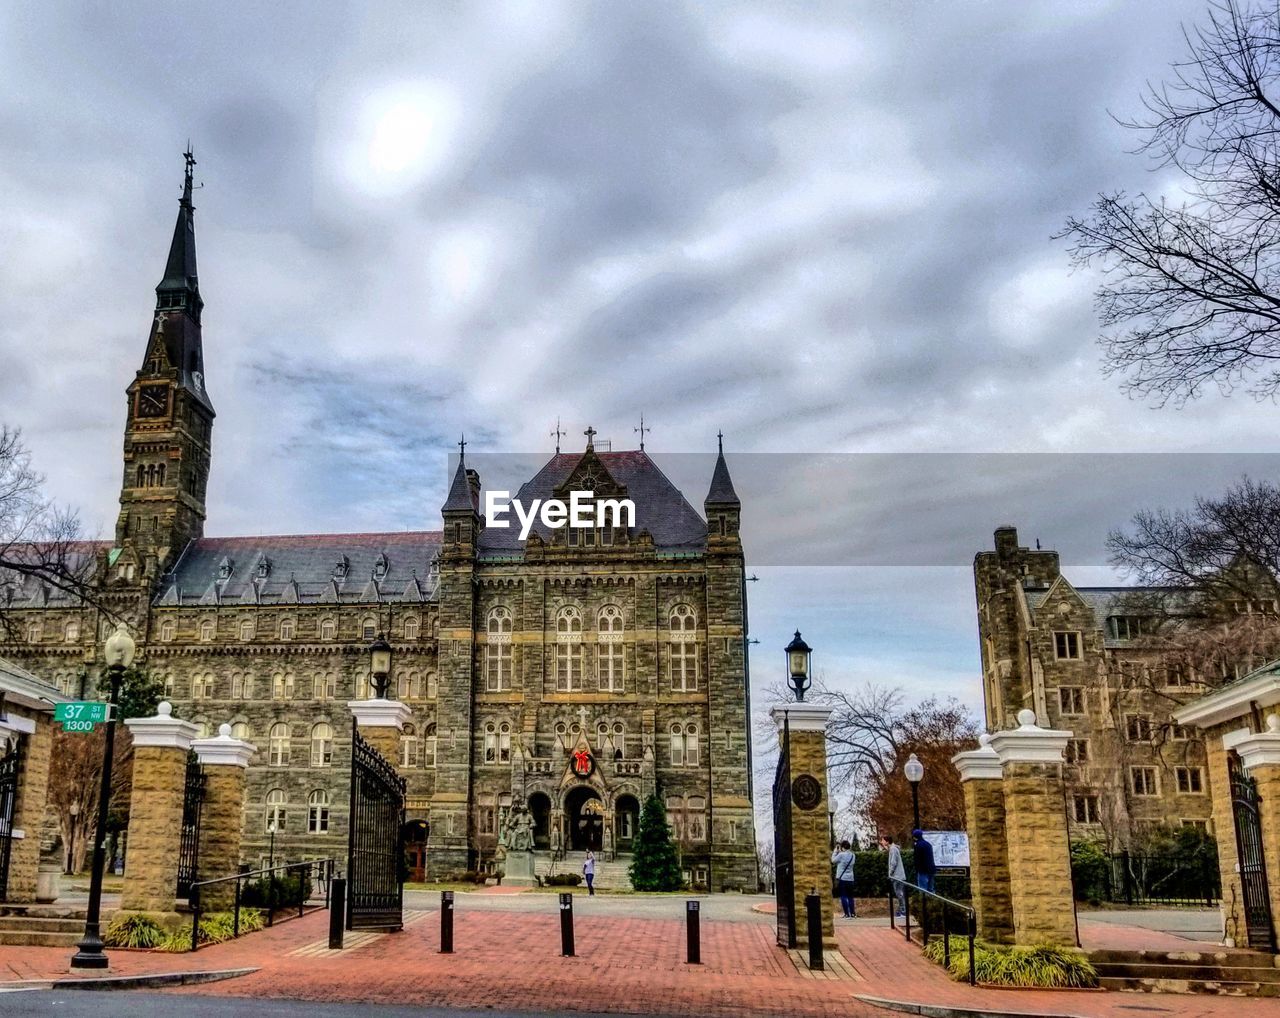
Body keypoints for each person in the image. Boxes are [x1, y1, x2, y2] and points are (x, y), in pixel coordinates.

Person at [881, 834, 906, 917]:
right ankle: (901, 910)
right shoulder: (892, 849)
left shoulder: (893, 849)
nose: (882, 842)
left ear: (887, 841)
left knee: (899, 893)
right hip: (897, 875)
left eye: (883, 840)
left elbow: (893, 862)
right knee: (899, 893)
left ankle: (903, 911)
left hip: (897, 875)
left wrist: (890, 873)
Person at [831, 840, 856, 919]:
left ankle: (847, 914)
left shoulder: (841, 855)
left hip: (842, 878)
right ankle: (852, 913)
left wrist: (835, 851)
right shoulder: (853, 855)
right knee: (850, 896)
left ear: (842, 847)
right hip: (851, 878)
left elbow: (833, 860)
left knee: (843, 896)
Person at [912, 829, 936, 894]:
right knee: (931, 889)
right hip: (931, 869)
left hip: (922, 870)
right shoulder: (928, 844)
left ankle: (924, 903)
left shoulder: (918, 846)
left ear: (914, 837)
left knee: (923, 891)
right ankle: (932, 903)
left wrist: (917, 870)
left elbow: (917, 859)